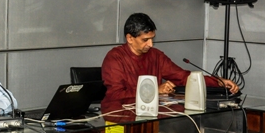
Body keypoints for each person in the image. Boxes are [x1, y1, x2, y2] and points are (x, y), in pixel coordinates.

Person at [101, 13, 238, 108]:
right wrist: (155, 90)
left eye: (152, 38)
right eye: (145, 40)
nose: (151, 44)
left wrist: (218, 82)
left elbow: (182, 77)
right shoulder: (114, 58)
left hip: (152, 115)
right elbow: (115, 95)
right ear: (130, 38)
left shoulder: (155, 55)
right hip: (122, 117)